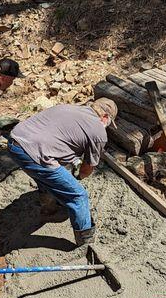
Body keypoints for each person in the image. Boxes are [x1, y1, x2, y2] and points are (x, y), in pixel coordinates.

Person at [7, 98, 118, 246]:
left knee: (44, 175)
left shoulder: (68, 107)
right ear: (105, 117)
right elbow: (87, 169)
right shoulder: (98, 131)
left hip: (15, 142)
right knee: (78, 195)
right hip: (35, 153)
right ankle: (85, 241)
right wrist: (78, 176)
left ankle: (49, 207)